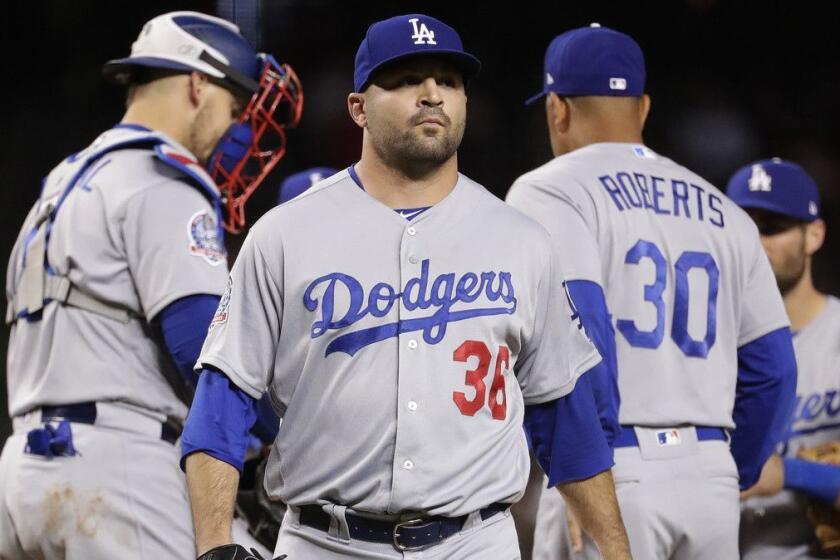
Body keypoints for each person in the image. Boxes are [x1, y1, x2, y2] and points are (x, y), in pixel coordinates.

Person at [181, 13, 632, 560]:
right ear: (358, 108)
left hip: (476, 540)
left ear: (467, 102)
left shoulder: (522, 241)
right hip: (324, 541)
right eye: (404, 80)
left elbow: (567, 417)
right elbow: (221, 401)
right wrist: (212, 546)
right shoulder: (283, 234)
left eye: (448, 80)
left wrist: (615, 550)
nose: (431, 95)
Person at [0, 11, 301, 559]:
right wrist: (289, 426)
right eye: (234, 109)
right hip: (118, 474)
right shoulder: (163, 180)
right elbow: (207, 350)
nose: (236, 130)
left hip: (25, 471)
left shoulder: (66, 181)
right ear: (197, 84)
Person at [506, 23, 797, 559]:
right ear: (641, 108)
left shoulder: (551, 187)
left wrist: (582, 474)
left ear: (557, 109)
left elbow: (581, 335)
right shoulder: (725, 210)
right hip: (711, 474)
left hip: (615, 469)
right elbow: (774, 368)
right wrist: (732, 471)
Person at [728, 158, 840, 559]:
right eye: (745, 227)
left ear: (814, 235)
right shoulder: (706, 347)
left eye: (772, 228)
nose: (756, 243)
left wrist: (792, 474)